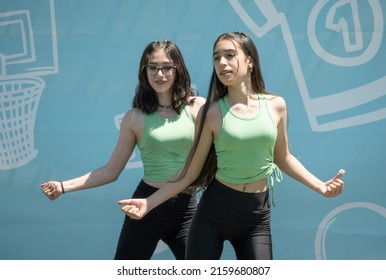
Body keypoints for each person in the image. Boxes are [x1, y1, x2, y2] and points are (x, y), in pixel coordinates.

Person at [118, 32, 345, 260]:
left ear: (250, 60)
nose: (222, 63)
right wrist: (150, 202)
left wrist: (320, 186)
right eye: (216, 58)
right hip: (213, 214)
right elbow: (190, 173)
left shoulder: (276, 105)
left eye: (229, 55)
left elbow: (283, 157)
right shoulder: (211, 112)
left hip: (256, 216)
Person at [41, 40, 206, 260]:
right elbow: (111, 171)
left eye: (167, 67)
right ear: (144, 71)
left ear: (178, 70)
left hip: (186, 210)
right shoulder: (134, 118)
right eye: (153, 67)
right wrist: (63, 186)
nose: (160, 74)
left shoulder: (198, 107)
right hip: (142, 208)